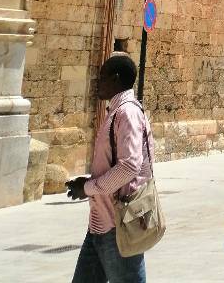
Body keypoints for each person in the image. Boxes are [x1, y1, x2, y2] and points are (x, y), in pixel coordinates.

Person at [67, 53, 154, 283]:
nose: (97, 82)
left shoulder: (127, 113)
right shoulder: (116, 112)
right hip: (99, 224)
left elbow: (129, 166)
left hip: (118, 225)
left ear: (115, 79)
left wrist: (89, 188)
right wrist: (86, 184)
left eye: (102, 77)